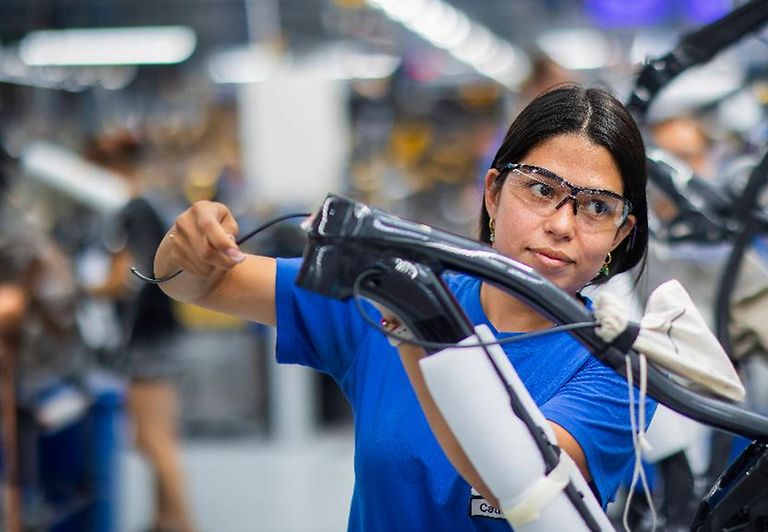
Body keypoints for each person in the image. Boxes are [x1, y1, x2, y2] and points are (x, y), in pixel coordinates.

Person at [154, 84, 656, 530]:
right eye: (542, 190)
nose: (563, 225)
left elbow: (517, 476)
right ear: (494, 192)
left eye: (596, 207)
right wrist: (188, 242)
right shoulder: (389, 292)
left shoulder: (620, 366)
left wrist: (415, 322)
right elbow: (194, 285)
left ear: (621, 233)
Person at [84, 130, 195, 532]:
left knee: (154, 439)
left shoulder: (129, 213)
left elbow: (120, 280)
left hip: (148, 337)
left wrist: (78, 289)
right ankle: (164, 519)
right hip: (157, 333)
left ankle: (182, 523)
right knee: (155, 436)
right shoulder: (144, 209)